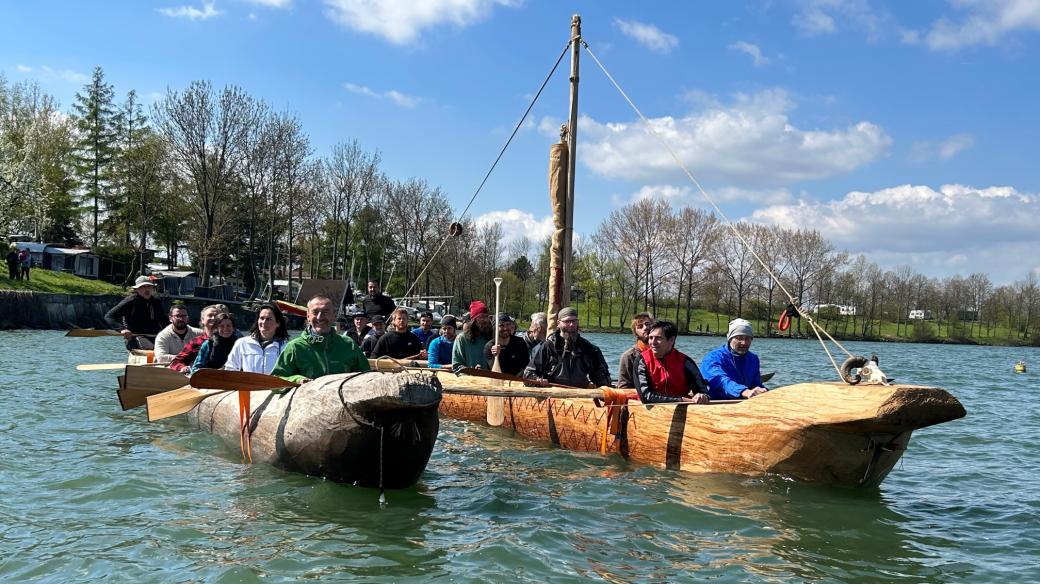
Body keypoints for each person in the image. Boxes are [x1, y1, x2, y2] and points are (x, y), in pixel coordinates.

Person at [271, 295, 369, 383]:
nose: (320, 317)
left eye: (325, 312)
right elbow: (276, 379)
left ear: (334, 316)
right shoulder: (295, 347)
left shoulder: (348, 345)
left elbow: (367, 377)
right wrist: (297, 380)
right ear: (308, 316)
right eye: (315, 312)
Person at [523, 307, 611, 388]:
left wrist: (600, 386)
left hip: (581, 396)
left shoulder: (589, 348)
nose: (572, 324)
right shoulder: (548, 347)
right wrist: (538, 381)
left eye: (574, 321)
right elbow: (528, 374)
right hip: (553, 395)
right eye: (567, 321)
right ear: (558, 323)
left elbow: (603, 378)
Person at [635, 321, 710, 404]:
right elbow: (645, 396)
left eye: (658, 338)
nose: (653, 342)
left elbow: (703, 391)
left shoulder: (685, 362)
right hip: (650, 411)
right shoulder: (642, 361)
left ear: (671, 340)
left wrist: (702, 396)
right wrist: (680, 400)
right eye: (651, 338)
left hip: (682, 408)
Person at [700, 318, 768, 400]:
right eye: (739, 338)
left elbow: (756, 385)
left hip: (744, 404)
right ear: (730, 339)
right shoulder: (713, 358)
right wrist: (744, 391)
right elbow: (721, 382)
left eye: (747, 338)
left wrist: (766, 392)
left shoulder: (753, 359)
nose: (744, 343)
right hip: (717, 404)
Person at [104, 275, 168, 350]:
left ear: (153, 288)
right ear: (137, 289)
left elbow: (164, 321)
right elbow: (109, 316)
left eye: (149, 286)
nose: (146, 289)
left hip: (155, 336)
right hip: (134, 337)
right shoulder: (130, 301)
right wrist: (122, 329)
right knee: (150, 347)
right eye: (143, 287)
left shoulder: (156, 302)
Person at [225, 303, 289, 374]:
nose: (264, 322)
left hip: (276, 385)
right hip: (249, 384)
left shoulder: (286, 347)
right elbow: (230, 369)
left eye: (269, 319)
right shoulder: (242, 343)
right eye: (261, 318)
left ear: (278, 323)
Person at [168, 304, 228, 373]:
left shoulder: (230, 341)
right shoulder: (195, 342)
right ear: (202, 320)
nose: (213, 318)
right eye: (210, 315)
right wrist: (183, 368)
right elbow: (175, 362)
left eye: (216, 316)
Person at [452, 300, 492, 372]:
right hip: (469, 381)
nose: (485, 320)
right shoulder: (462, 339)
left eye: (486, 316)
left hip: (490, 380)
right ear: (474, 320)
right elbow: (456, 366)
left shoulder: (491, 338)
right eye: (481, 317)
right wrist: (471, 371)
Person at [617, 312, 653, 389]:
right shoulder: (628, 356)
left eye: (648, 324)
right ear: (635, 333)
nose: (645, 328)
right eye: (640, 326)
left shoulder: (663, 352)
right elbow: (623, 387)